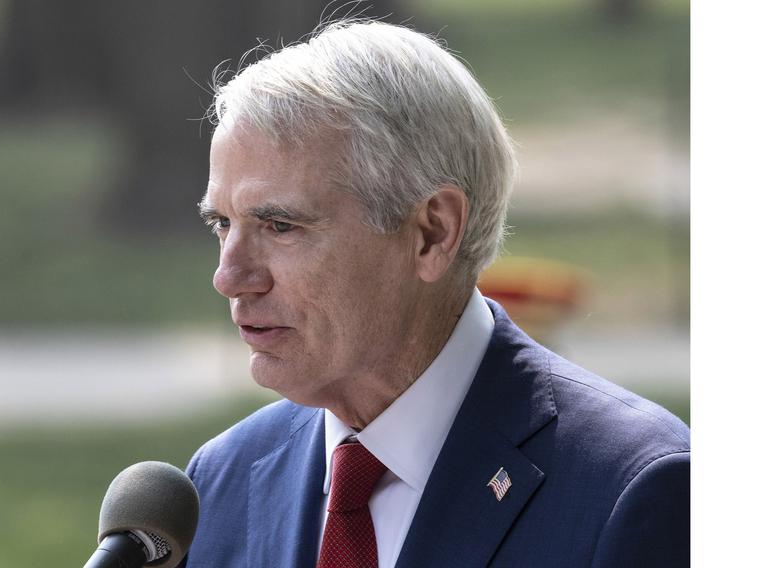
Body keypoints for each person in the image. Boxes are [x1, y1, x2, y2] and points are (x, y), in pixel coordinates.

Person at [180, 19, 689, 568]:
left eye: (280, 226)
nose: (229, 276)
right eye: (223, 225)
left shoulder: (634, 488)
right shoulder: (220, 483)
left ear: (432, 233)